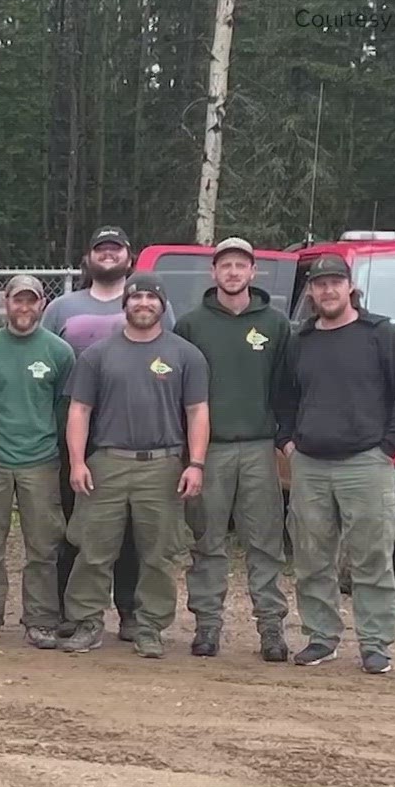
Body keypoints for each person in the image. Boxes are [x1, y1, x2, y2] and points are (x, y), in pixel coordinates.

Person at [273, 253, 395, 674]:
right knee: (311, 556)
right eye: (320, 284)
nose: (327, 290)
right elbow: (284, 396)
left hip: (366, 463)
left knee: (371, 557)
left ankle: (376, 643)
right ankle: (321, 637)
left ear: (350, 287)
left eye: (335, 283)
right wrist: (286, 441)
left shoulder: (380, 334)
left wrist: (390, 447)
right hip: (310, 465)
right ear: (311, 291)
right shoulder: (300, 339)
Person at [60, 272, 209, 657]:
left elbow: (197, 412)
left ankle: (149, 628)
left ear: (163, 305)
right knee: (93, 550)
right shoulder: (97, 355)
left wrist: (195, 463)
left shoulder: (185, 354)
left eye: (151, 298)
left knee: (158, 554)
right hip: (107, 462)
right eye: (136, 297)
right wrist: (77, 462)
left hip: (163, 466)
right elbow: (79, 410)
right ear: (124, 305)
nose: (143, 303)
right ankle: (88, 622)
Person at [173, 237, 292, 662]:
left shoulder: (276, 325)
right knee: (207, 541)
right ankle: (207, 626)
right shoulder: (191, 325)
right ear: (214, 273)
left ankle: (272, 629)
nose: (233, 272)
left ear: (253, 272)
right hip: (211, 450)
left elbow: (284, 386)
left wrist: (284, 440)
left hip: (260, 447)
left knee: (264, 542)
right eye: (226, 265)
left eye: (241, 265)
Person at [42, 225, 142, 640]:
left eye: (115, 249)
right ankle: (72, 608)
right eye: (100, 248)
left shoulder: (146, 302)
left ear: (128, 257)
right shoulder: (63, 308)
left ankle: (130, 613)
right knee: (75, 521)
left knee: (130, 527)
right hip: (76, 422)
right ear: (88, 258)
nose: (107, 255)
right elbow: (45, 363)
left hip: (130, 424)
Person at [0, 274, 75, 649]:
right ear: (5, 304)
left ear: (42, 304)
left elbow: (64, 406)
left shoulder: (60, 352)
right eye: (17, 301)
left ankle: (41, 620)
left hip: (41, 461)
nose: (24, 308)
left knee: (43, 547)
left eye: (32, 301)